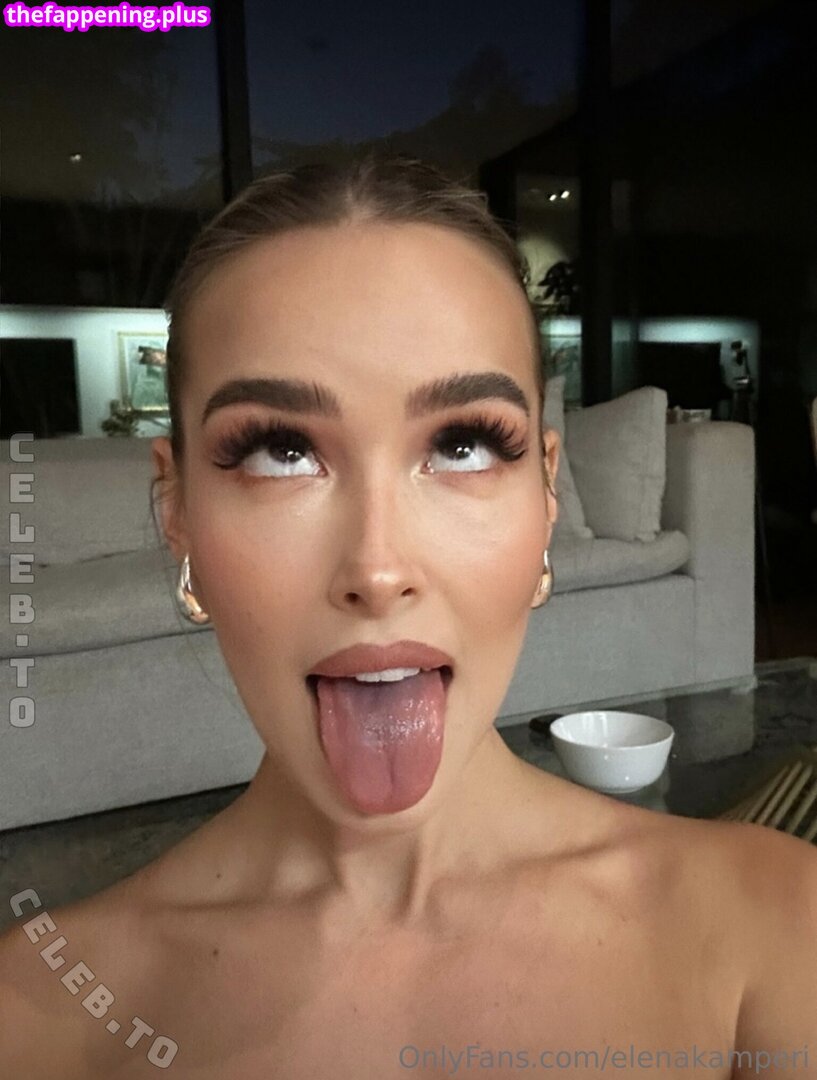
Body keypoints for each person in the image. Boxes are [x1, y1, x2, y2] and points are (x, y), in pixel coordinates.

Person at [1, 152, 815, 1078]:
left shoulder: (773, 923)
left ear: (547, 490)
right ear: (176, 506)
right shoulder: (37, 1011)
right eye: (278, 452)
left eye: (463, 444)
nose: (378, 569)